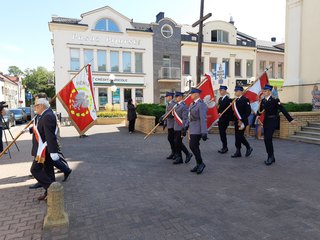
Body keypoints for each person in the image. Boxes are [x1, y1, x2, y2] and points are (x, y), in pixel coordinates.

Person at [29, 95, 72, 200]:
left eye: (36, 106)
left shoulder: (47, 116)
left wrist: (53, 151)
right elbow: (41, 130)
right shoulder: (45, 114)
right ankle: (50, 193)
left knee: (35, 170)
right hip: (44, 150)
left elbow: (50, 135)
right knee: (49, 172)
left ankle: (52, 189)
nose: (35, 108)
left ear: (41, 106)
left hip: (44, 150)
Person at [258, 84, 296, 166]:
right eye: (263, 91)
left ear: (269, 91)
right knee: (266, 139)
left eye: (265, 91)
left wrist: (290, 119)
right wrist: (257, 109)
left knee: (268, 138)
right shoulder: (263, 101)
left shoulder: (275, 100)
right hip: (266, 121)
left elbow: (283, 110)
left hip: (273, 121)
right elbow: (260, 111)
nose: (263, 92)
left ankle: (270, 157)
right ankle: (271, 156)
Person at [186, 88, 208, 174]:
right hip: (192, 128)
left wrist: (204, 132)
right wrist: (186, 125)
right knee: (194, 146)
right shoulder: (192, 104)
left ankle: (201, 163)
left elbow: (203, 119)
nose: (190, 95)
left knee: (192, 145)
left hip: (198, 129)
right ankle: (199, 163)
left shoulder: (201, 104)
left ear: (197, 94)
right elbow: (189, 116)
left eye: (192, 93)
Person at [231, 86, 253, 158]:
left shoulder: (245, 99)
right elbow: (234, 112)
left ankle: (248, 147)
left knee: (240, 136)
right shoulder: (235, 100)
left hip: (243, 122)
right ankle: (238, 151)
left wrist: (241, 120)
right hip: (237, 121)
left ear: (240, 91)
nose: (235, 92)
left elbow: (248, 111)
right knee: (237, 136)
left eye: (236, 91)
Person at [172, 91, 192, 165]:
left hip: (180, 127)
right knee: (177, 142)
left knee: (178, 142)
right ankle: (180, 157)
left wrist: (184, 128)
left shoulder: (184, 106)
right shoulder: (176, 105)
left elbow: (185, 119)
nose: (175, 98)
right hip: (175, 127)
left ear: (180, 97)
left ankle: (186, 154)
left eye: (177, 96)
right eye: (175, 96)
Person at [217, 85, 233, 154]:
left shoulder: (228, 100)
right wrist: (218, 113)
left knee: (223, 133)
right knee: (221, 133)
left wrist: (229, 119)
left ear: (225, 91)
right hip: (220, 119)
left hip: (225, 119)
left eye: (222, 90)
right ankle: (223, 146)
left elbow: (230, 111)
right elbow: (219, 108)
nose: (221, 92)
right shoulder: (220, 99)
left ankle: (225, 147)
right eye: (220, 90)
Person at [161, 92, 176, 159]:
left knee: (172, 139)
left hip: (173, 124)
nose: (166, 98)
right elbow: (166, 113)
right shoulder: (168, 104)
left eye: (167, 96)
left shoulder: (173, 104)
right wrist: (165, 122)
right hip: (169, 124)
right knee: (170, 139)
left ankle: (175, 153)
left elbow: (170, 114)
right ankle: (173, 152)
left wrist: (162, 117)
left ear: (170, 97)